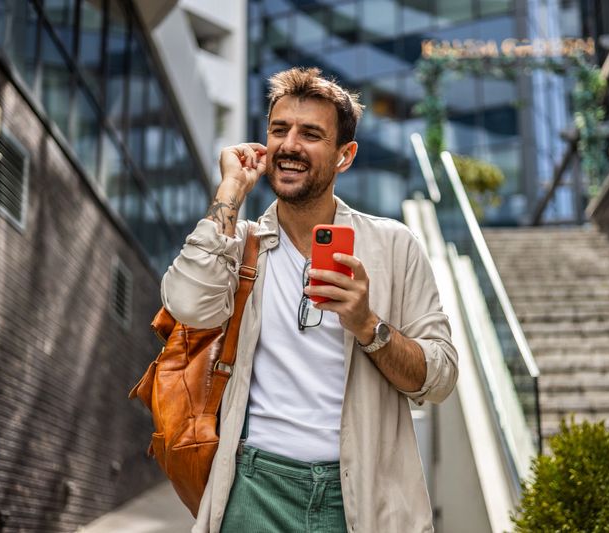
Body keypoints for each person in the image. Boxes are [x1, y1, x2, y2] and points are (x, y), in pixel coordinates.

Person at [161, 66, 458, 533]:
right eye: (279, 130)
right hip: (254, 489)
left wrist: (368, 326)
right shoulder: (238, 243)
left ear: (345, 156)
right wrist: (230, 190)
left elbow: (439, 379)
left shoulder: (394, 246)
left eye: (311, 134)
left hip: (361, 496)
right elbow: (186, 303)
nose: (290, 145)